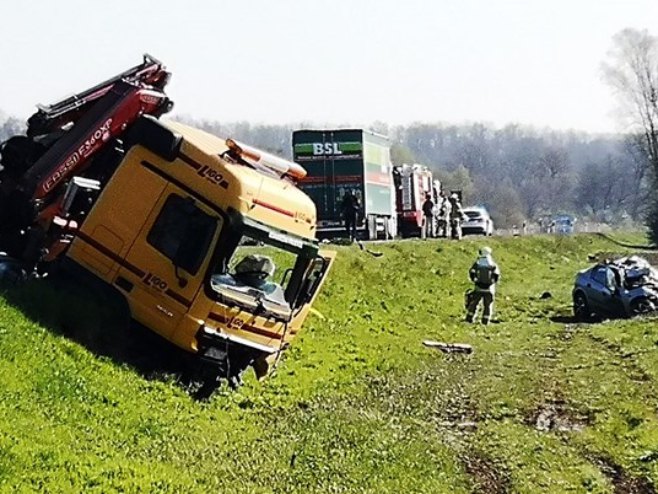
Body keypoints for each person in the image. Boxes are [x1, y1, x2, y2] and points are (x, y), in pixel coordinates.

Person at [465, 246, 501, 325]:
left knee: (474, 303)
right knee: (487, 305)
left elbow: (472, 272)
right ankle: (485, 320)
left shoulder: (477, 263)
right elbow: (496, 275)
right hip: (489, 289)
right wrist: (493, 282)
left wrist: (474, 280)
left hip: (478, 287)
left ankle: (469, 318)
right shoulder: (492, 264)